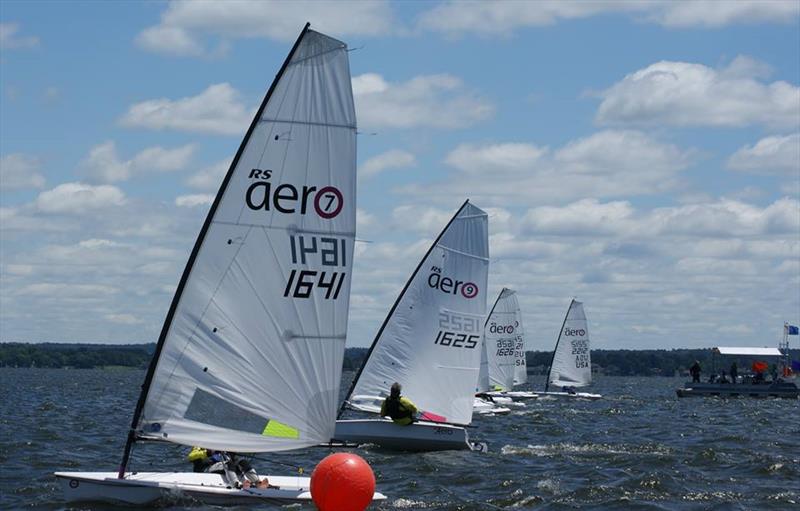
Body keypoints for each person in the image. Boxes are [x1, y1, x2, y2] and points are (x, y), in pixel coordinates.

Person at [188, 447, 268, 489]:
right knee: (229, 464)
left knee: (243, 462)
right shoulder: (199, 444)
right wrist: (209, 452)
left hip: (226, 467)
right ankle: (236, 485)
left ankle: (258, 483)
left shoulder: (222, 443)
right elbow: (191, 456)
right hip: (208, 468)